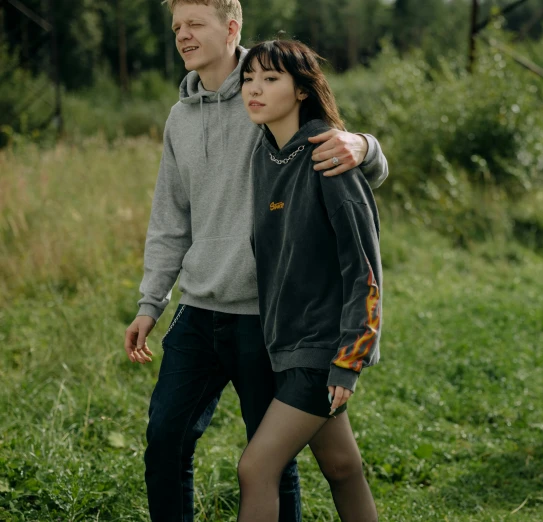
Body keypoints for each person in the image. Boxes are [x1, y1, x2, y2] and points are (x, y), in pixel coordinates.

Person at [121, 1, 388, 520]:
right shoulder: (184, 118)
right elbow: (170, 220)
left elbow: (339, 152)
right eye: (177, 26)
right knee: (165, 440)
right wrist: (150, 301)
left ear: (231, 28)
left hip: (267, 320)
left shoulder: (270, 92)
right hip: (197, 309)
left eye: (196, 24)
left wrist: (364, 144)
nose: (184, 36)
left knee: (271, 462)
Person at [235, 39, 381, 521]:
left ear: (301, 90)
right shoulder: (266, 156)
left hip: (321, 349)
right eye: (249, 79)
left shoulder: (329, 155)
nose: (254, 89)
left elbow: (363, 265)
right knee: (342, 468)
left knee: (256, 469)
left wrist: (350, 358)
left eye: (271, 79)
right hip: (285, 343)